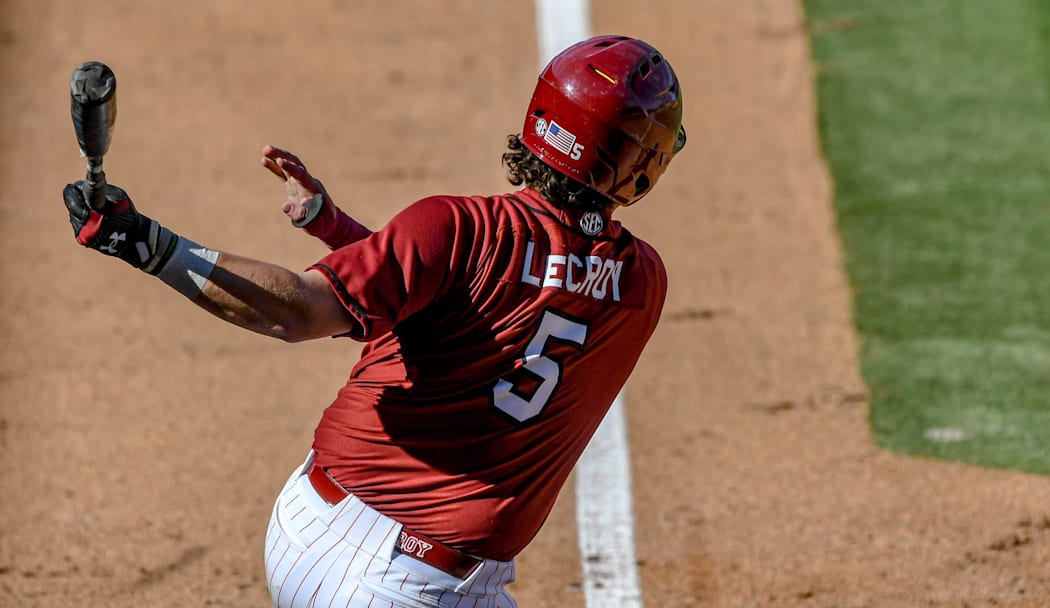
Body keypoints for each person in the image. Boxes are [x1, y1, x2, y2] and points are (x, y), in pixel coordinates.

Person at [62, 35, 685, 608]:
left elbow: (329, 307)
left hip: (308, 524)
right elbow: (488, 303)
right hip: (410, 585)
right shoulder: (639, 285)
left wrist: (146, 241)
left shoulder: (455, 229)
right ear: (642, 169)